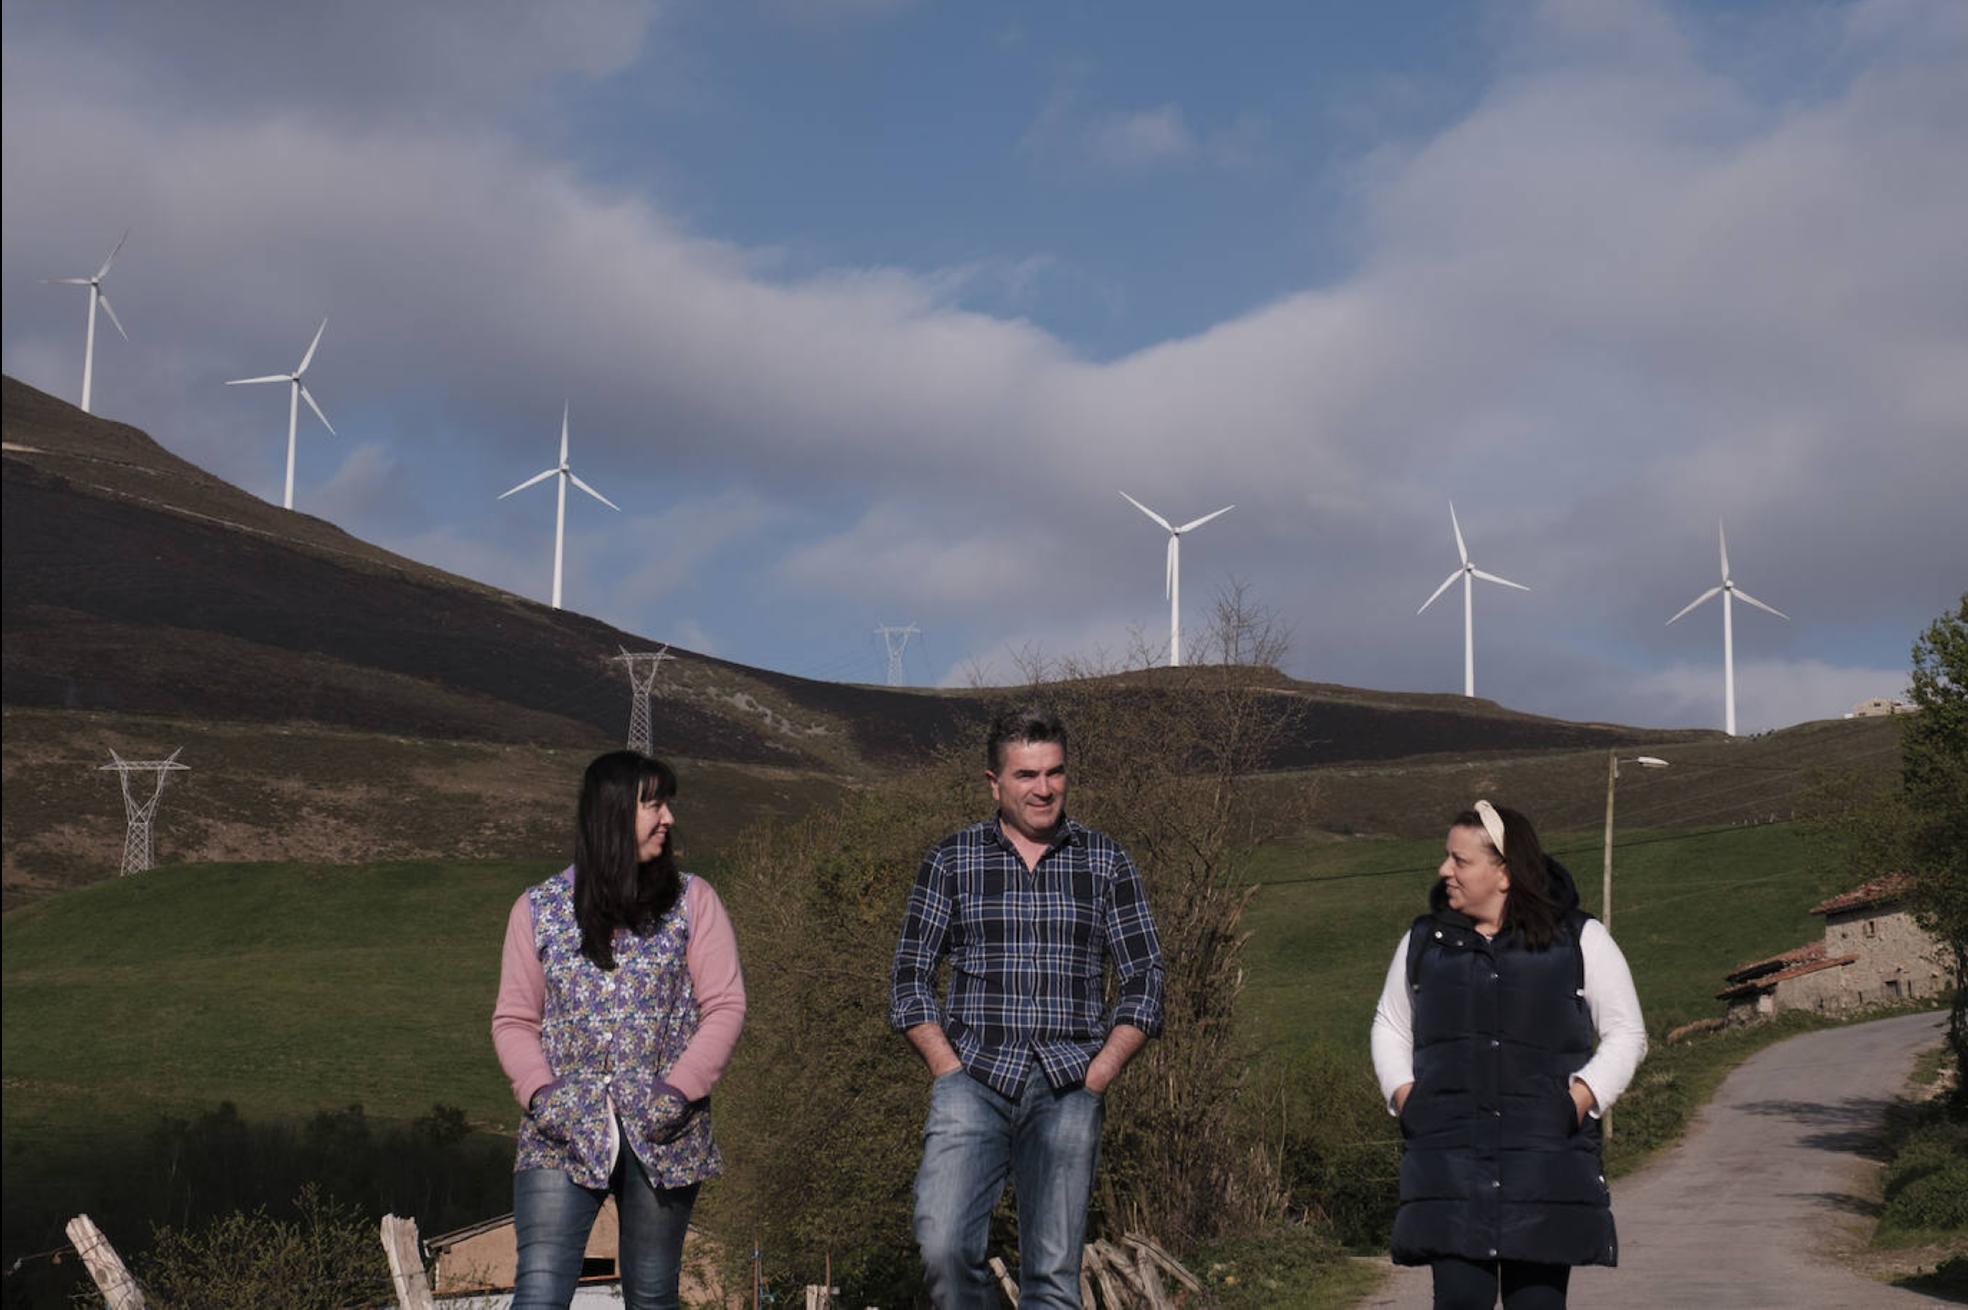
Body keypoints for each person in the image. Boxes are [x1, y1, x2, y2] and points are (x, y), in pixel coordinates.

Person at [889, 707, 1166, 1309]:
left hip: (1070, 1084)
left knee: (1052, 1276)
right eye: (1026, 775)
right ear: (994, 782)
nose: (1044, 788)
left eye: (1055, 773)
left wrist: (1102, 1071)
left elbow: (1146, 978)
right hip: (973, 1079)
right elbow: (909, 978)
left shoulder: (1106, 861)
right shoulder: (951, 860)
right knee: (942, 1248)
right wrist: (945, 1066)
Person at [492, 751, 746, 1310]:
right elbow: (514, 1019)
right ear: (611, 813)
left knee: (652, 1298)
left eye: (668, 804)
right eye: (652, 804)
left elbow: (724, 1005)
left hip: (665, 1135)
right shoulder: (537, 909)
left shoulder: (694, 902)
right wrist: (542, 1093)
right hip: (559, 1133)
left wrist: (679, 1090)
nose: (668, 818)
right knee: (537, 1294)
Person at [1370, 801, 1647, 1310]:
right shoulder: (1424, 942)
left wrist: (1579, 1099)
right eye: (1447, 858)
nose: (1444, 871)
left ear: (1504, 872)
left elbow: (1628, 1032)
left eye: (1460, 860)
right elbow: (1390, 1024)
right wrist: (1406, 1097)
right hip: (1449, 1167)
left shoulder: (1579, 939)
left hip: (1543, 1168)